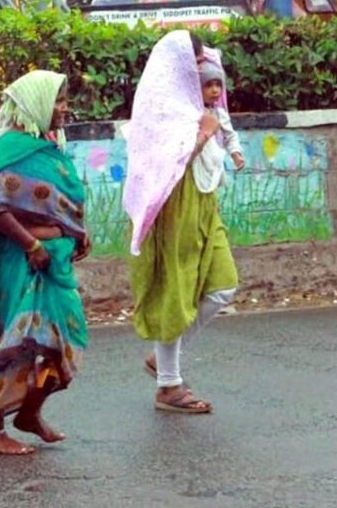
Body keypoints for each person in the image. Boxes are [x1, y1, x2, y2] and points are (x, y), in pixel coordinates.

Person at [0, 70, 91, 455]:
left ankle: (29, 413)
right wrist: (32, 244)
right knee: (14, 342)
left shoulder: (47, 149)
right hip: (20, 263)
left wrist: (77, 232)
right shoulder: (11, 150)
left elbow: (57, 203)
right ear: (37, 104)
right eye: (58, 101)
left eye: (64, 100)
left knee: (62, 341)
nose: (64, 108)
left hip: (53, 265)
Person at [122, 30, 241, 414]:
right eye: (195, 62)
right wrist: (203, 135)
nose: (201, 69)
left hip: (204, 202)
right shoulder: (160, 106)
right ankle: (169, 384)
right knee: (177, 288)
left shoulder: (195, 102)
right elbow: (160, 160)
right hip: (174, 208)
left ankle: (163, 361)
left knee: (222, 286)